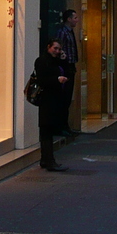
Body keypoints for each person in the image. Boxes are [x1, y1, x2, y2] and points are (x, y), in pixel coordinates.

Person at [34, 39, 70, 172]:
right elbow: (42, 80)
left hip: (54, 100)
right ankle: (49, 161)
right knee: (46, 130)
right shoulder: (42, 61)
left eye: (59, 49)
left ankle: (46, 159)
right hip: (46, 100)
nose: (57, 51)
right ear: (48, 47)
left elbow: (67, 71)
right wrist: (57, 80)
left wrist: (64, 60)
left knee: (47, 131)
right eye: (55, 48)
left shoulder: (56, 61)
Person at [54, 9, 80, 137]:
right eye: (74, 17)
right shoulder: (63, 32)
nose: (77, 20)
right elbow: (58, 49)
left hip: (70, 66)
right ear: (68, 19)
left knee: (68, 98)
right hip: (65, 66)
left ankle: (65, 125)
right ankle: (60, 126)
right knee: (63, 98)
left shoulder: (70, 32)